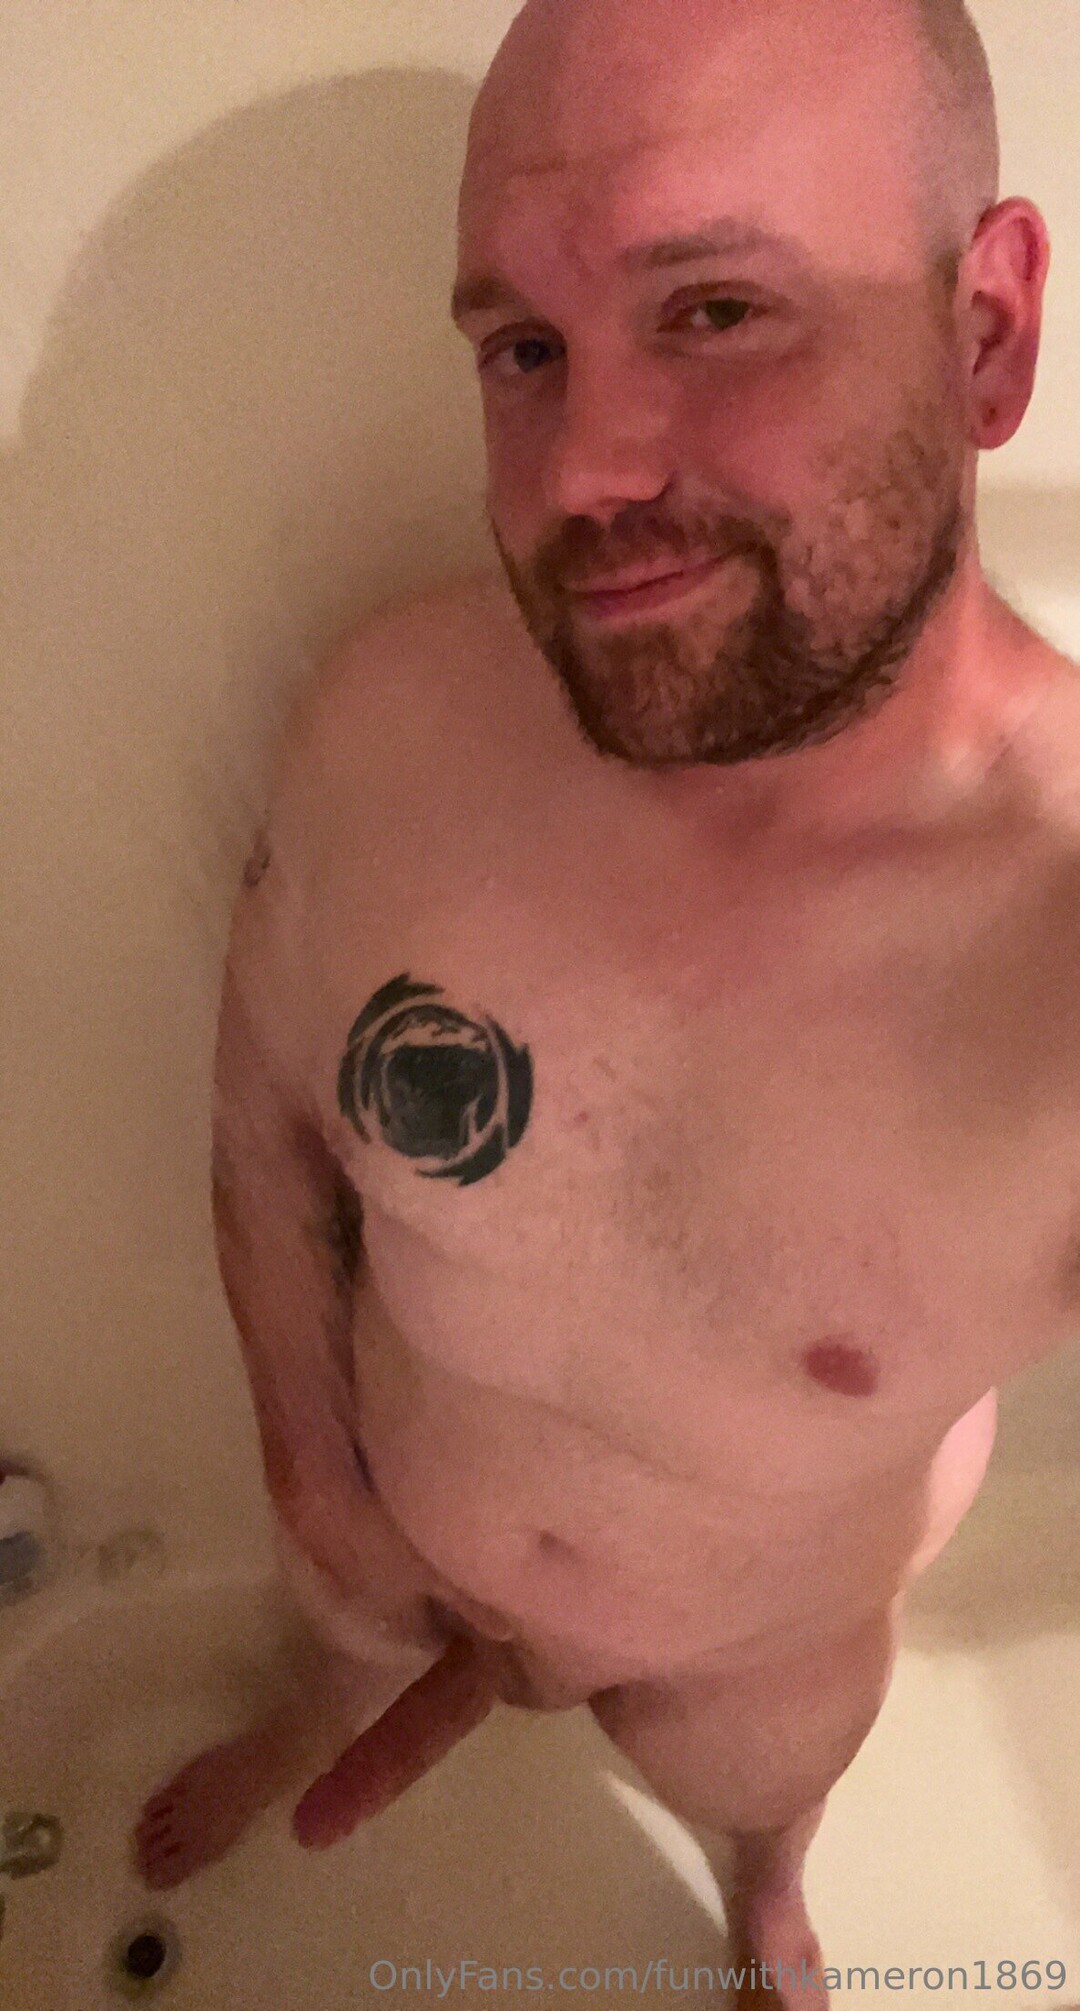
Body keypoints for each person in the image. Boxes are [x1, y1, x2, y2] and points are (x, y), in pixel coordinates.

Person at [133, 0, 1074, 2001]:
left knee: (760, 1804)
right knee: (334, 1646)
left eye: (717, 309)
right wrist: (313, 1475)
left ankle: (770, 1902)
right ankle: (326, 1695)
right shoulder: (393, 722)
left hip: (755, 1650)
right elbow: (265, 1119)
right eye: (522, 350)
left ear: (986, 331)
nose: (584, 470)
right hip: (384, 1524)